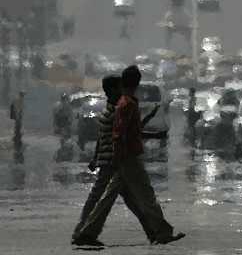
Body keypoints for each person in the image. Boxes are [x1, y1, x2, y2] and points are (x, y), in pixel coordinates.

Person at [74, 66, 184, 246]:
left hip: (122, 158)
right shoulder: (127, 105)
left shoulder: (123, 104)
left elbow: (128, 131)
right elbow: (120, 134)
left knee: (116, 199)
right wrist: (118, 157)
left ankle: (88, 232)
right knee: (145, 196)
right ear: (137, 83)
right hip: (127, 158)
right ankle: (161, 232)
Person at [10, 91, 26, 164]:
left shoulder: (18, 99)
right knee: (18, 126)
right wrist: (18, 116)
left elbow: (17, 108)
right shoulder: (19, 100)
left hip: (16, 115)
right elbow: (17, 109)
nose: (23, 96)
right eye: (23, 95)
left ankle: (17, 137)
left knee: (17, 126)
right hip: (17, 115)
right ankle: (17, 138)